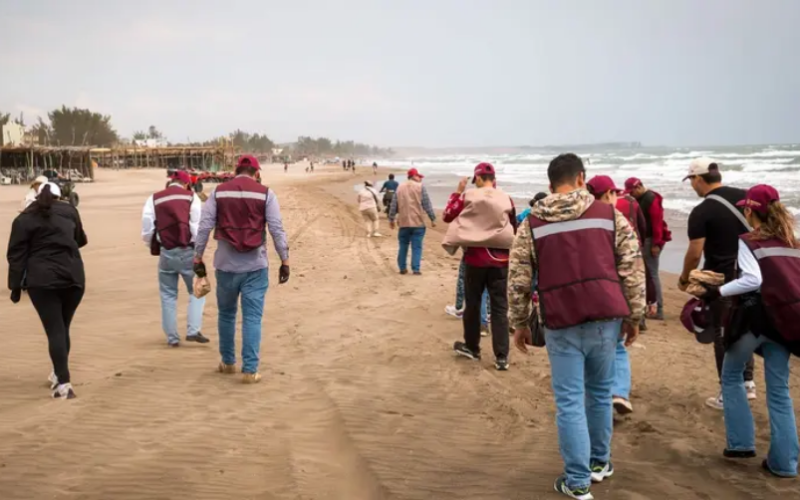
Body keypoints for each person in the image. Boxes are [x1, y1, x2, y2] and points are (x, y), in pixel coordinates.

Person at [509, 154, 645, 499]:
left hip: (561, 320)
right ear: (581, 178)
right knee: (600, 393)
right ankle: (599, 463)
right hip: (605, 317)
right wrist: (634, 315)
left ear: (550, 182)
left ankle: (578, 481)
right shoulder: (609, 214)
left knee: (569, 400)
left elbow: (518, 279)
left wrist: (520, 323)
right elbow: (631, 264)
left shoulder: (532, 223)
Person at [701, 185, 799, 477]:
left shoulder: (748, 241)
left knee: (731, 376)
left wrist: (717, 291)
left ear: (748, 211)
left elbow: (752, 280)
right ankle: (785, 464)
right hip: (784, 323)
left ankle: (741, 443)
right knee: (779, 391)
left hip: (753, 319)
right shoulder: (792, 243)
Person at [194, 155, 290, 384]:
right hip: (255, 266)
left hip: (225, 266)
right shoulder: (266, 193)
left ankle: (227, 363)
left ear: (236, 171)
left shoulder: (219, 192)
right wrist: (284, 259)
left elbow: (205, 226)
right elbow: (276, 229)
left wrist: (197, 256)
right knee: (252, 318)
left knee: (226, 315)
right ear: (256, 173)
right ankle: (250, 370)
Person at [678, 158, 755, 410]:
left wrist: (685, 276)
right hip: (754, 273)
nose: (692, 186)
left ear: (698, 179)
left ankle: (728, 391)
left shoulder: (702, 211)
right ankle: (748, 382)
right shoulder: (746, 198)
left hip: (723, 278)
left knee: (724, 333)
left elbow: (694, 251)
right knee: (748, 327)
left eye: (691, 181)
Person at [7, 182, 88, 399]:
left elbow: (16, 256)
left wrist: (15, 287)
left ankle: (63, 383)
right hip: (73, 277)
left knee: (55, 329)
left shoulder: (23, 219)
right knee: (62, 327)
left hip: (42, 280)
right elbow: (81, 240)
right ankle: (57, 374)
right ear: (59, 196)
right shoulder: (70, 211)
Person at [444, 163, 517, 370]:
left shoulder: (469, 196)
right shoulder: (506, 198)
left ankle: (473, 348)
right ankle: (501, 357)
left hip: (475, 260)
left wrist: (458, 191)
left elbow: (448, 215)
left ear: (476, 179)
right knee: (500, 308)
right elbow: (513, 225)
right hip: (500, 261)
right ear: (493, 179)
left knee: (473, 305)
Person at [587, 175, 638, 416]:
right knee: (616, 347)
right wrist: (634, 314)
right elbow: (630, 270)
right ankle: (618, 393)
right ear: (607, 194)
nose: (617, 198)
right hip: (613, 297)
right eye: (614, 193)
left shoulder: (581, 220)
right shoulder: (617, 221)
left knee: (591, 350)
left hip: (586, 296)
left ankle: (599, 397)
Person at [141, 170, 208, 347]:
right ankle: (193, 330)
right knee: (198, 290)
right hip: (187, 251)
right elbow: (196, 227)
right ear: (187, 184)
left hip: (166, 252)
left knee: (168, 295)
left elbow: (147, 228)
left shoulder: (154, 199)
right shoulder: (192, 197)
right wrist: (199, 252)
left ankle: (172, 338)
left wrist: (153, 246)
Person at [624, 177, 669, 320]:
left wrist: (656, 243)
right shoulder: (643, 198)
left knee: (652, 274)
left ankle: (659, 309)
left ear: (638, 187)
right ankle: (650, 306)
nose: (631, 195)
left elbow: (657, 222)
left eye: (632, 192)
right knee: (647, 273)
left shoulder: (651, 199)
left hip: (651, 240)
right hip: (647, 239)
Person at [388, 168, 436, 275]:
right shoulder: (420, 187)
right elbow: (427, 204)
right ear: (413, 176)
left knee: (403, 245)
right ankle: (416, 269)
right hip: (418, 222)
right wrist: (432, 218)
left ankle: (402, 268)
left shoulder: (399, 187)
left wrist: (391, 219)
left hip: (404, 222)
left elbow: (393, 205)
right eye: (419, 176)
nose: (420, 179)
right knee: (417, 246)